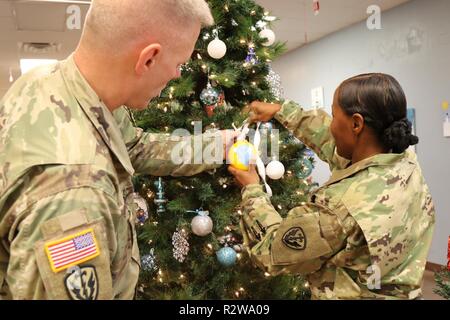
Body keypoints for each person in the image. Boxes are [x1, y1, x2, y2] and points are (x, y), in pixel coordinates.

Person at [0, 0, 234, 300]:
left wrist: (214, 146)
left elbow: (135, 146)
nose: (178, 75)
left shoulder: (56, 83)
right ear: (148, 59)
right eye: (178, 64)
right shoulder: (75, 194)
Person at [228, 73, 435, 300]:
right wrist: (281, 110)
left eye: (335, 115)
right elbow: (330, 139)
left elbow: (272, 252)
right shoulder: (405, 162)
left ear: (356, 124)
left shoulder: (340, 207)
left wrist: (252, 191)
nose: (332, 125)